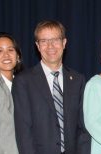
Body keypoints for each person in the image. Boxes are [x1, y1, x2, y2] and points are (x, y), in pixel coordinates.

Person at [12, 20, 90, 154]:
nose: (50, 46)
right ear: (37, 45)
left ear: (64, 43)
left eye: (55, 40)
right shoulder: (23, 81)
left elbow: (83, 128)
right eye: (44, 41)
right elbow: (23, 132)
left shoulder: (78, 80)